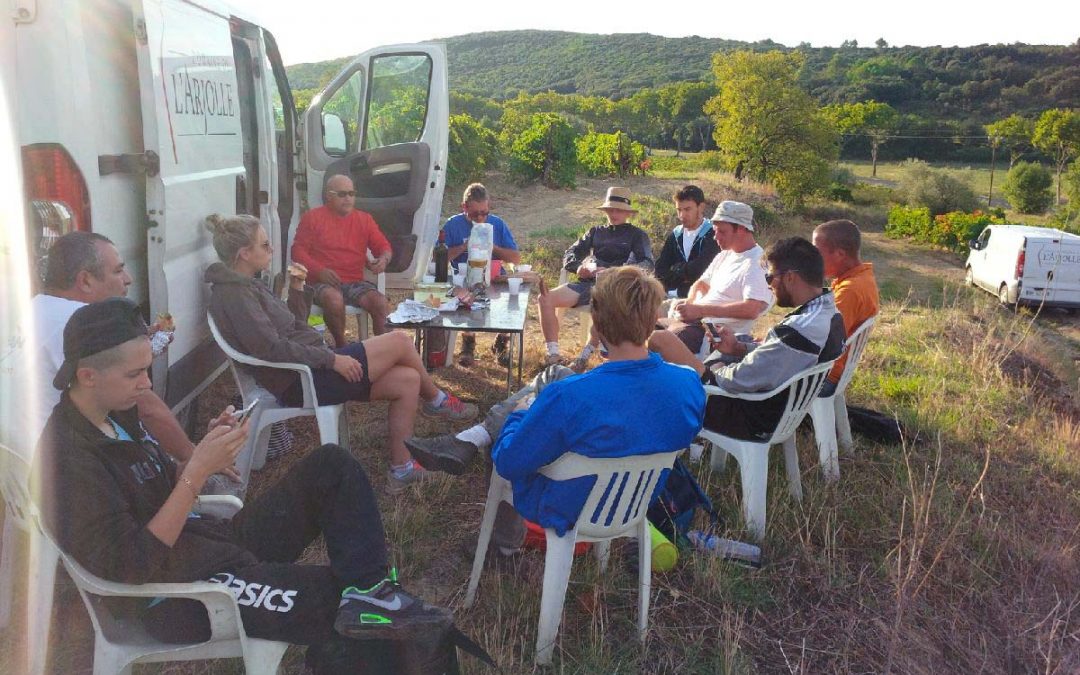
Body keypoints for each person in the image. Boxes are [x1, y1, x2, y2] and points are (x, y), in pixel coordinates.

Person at [31, 298, 453, 670]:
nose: (146, 384)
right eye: (134, 374)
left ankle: (371, 592)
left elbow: (151, 490)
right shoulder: (68, 460)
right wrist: (196, 473)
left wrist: (204, 451)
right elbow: (132, 566)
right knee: (346, 605)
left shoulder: (113, 413)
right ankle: (368, 624)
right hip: (179, 595)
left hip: (209, 545)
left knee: (332, 466)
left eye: (146, 369)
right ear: (87, 376)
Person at [403, 267, 705, 550]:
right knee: (557, 374)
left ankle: (501, 539)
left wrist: (521, 412)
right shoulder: (688, 384)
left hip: (570, 505)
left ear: (597, 324)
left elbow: (508, 462)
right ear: (653, 320)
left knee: (512, 429)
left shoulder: (571, 396)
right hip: (636, 502)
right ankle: (470, 438)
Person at [203, 214, 478, 494]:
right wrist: (332, 359)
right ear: (244, 253)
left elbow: (291, 326)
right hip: (301, 380)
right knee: (399, 341)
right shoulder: (235, 295)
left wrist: (297, 290)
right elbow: (271, 348)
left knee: (408, 379)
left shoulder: (248, 284)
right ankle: (437, 401)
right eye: (264, 245)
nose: (271, 249)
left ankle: (403, 468)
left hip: (312, 367)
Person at [12, 232, 228, 474]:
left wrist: (135, 351)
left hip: (14, 458)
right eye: (118, 271)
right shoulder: (80, 322)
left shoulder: (32, 308)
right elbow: (147, 408)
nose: (128, 279)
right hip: (53, 467)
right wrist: (195, 460)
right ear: (85, 281)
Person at [650, 237, 845, 442]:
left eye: (769, 278)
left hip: (749, 417)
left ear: (790, 278)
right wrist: (738, 348)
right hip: (776, 409)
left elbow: (734, 380)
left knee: (661, 340)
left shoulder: (800, 330)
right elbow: (780, 357)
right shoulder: (830, 314)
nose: (768, 286)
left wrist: (709, 369)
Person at [537, 187, 654, 372]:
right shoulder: (596, 232)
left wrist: (617, 272)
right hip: (588, 283)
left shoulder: (637, 235)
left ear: (627, 213)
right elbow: (570, 253)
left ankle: (584, 356)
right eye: (610, 209)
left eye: (619, 210)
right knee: (545, 298)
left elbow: (647, 264)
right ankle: (553, 354)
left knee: (603, 304)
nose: (614, 214)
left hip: (616, 288)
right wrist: (578, 267)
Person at [653, 200, 773, 358]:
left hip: (711, 333)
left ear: (741, 229)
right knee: (638, 322)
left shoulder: (756, 263)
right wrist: (690, 302)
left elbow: (752, 309)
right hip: (692, 320)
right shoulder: (725, 255)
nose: (716, 237)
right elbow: (701, 284)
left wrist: (700, 310)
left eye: (722, 232)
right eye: (715, 231)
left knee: (653, 341)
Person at [291, 175, 393, 347]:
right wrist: (319, 271)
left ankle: (383, 350)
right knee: (334, 299)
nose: (348, 198)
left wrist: (384, 259)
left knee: (381, 303)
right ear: (328, 196)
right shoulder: (312, 218)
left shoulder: (364, 219)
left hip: (354, 283)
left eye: (351, 193)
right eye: (342, 194)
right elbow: (297, 252)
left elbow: (383, 246)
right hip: (321, 283)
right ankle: (342, 347)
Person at [441, 182, 521, 367]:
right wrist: (464, 246)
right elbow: (438, 259)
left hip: (494, 277)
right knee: (466, 298)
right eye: (474, 214)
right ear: (464, 207)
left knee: (513, 300)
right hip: (464, 279)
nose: (480, 218)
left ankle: (501, 342)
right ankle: (468, 342)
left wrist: (492, 247)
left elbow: (515, 258)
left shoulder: (496, 224)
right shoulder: (453, 225)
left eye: (484, 213)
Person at [813, 219, 880, 397]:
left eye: (817, 253)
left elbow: (820, 342)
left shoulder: (849, 291)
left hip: (822, 377)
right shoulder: (862, 278)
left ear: (840, 254)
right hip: (834, 372)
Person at [654, 185, 720, 298]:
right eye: (679, 210)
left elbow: (701, 269)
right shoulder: (675, 235)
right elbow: (660, 270)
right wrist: (685, 274)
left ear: (701, 207)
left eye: (687, 209)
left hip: (705, 298)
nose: (682, 215)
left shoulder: (714, 234)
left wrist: (677, 269)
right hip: (671, 296)